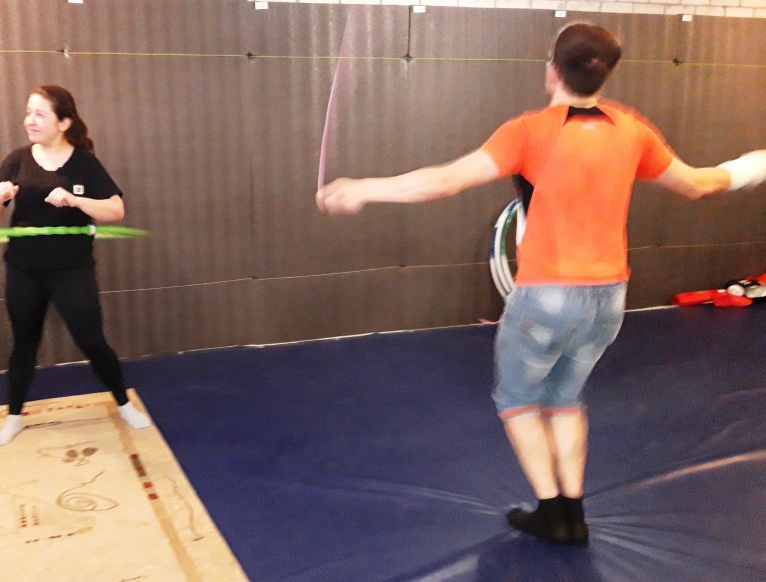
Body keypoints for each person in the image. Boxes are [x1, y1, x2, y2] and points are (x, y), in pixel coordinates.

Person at [316, 23, 766, 544]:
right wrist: (754, 165)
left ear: (552, 70)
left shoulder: (529, 131)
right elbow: (698, 184)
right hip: (608, 299)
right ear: (606, 74)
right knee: (566, 398)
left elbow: (445, 181)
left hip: (547, 298)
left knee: (517, 400)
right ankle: (573, 515)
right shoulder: (631, 129)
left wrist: (363, 188)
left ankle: (552, 513)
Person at [0, 84, 151, 446]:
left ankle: (124, 404)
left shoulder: (84, 163)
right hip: (23, 269)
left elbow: (116, 210)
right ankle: (13, 417)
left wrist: (76, 201)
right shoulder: (17, 160)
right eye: (28, 112)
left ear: (63, 123)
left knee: (92, 342)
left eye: (40, 114)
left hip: (71, 269)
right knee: (24, 343)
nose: (30, 120)